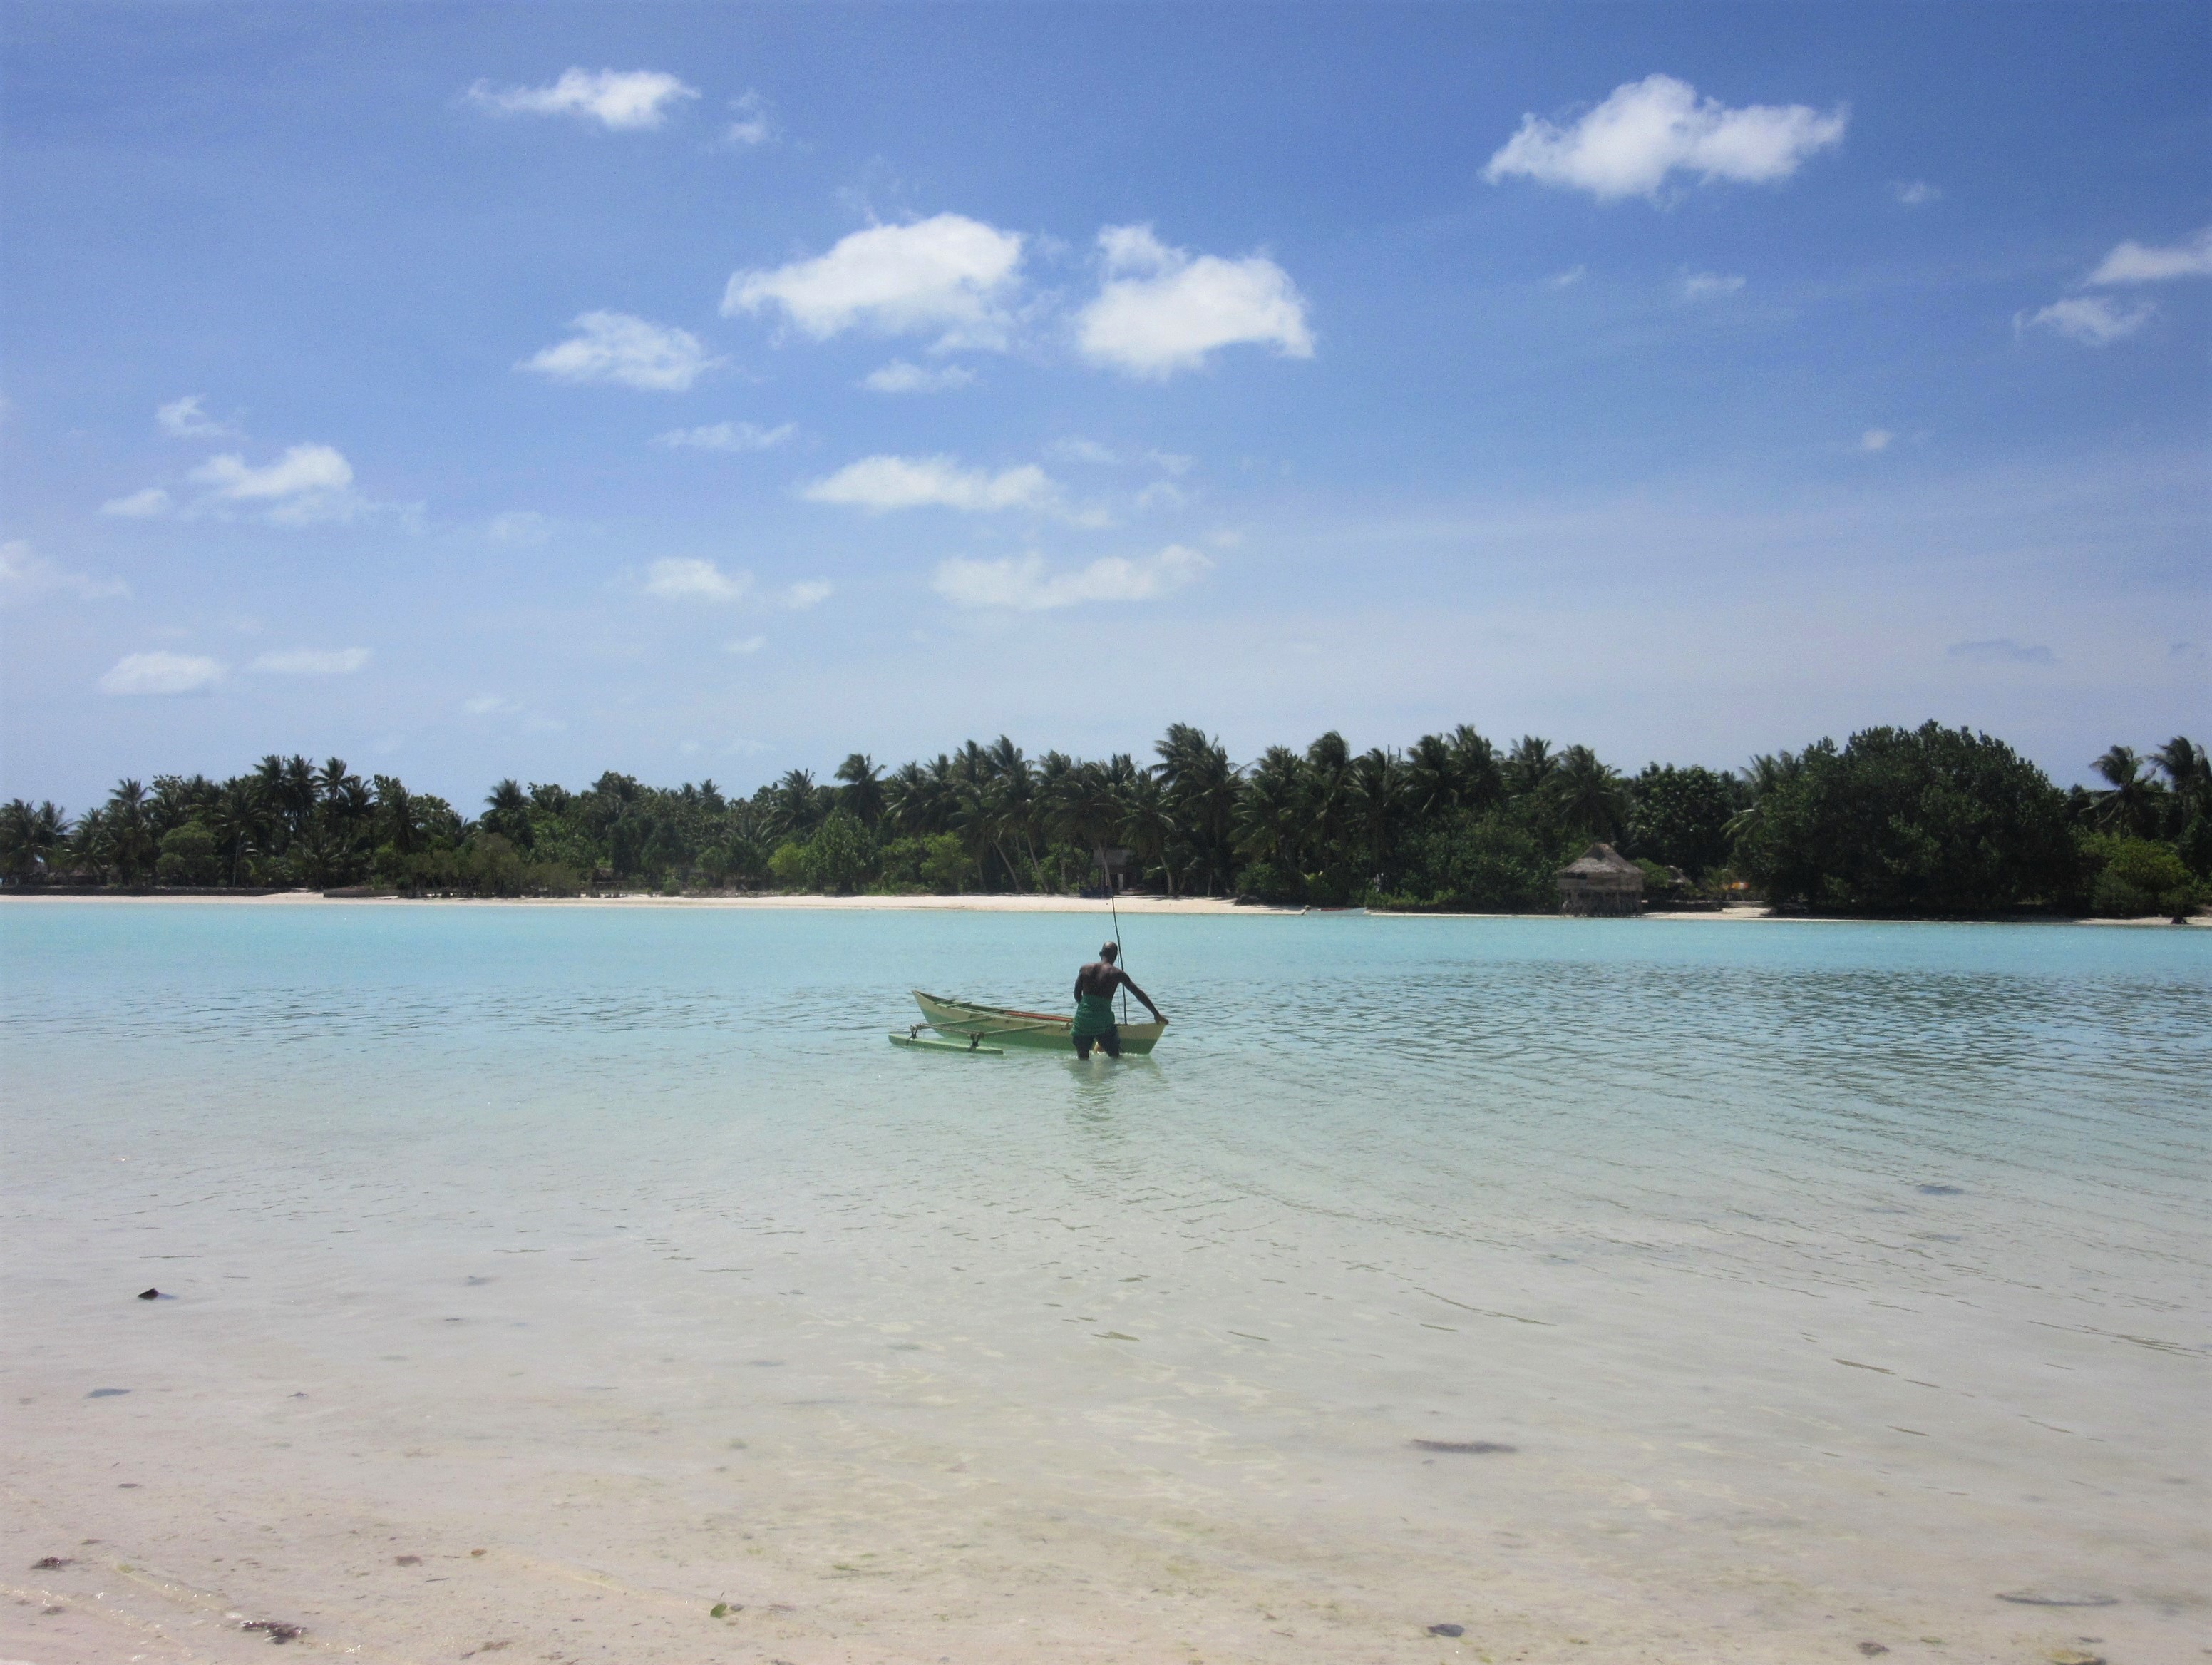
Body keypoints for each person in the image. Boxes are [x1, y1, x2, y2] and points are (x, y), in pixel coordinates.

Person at [1071, 941, 1163, 1060]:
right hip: (1103, 1021)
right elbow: (1138, 994)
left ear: (1100, 954)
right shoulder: (1117, 974)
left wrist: (1088, 1010)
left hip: (1082, 1020)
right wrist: (1156, 1014)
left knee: (1082, 1060)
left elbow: (1077, 995)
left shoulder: (1085, 969)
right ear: (1116, 956)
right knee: (1115, 1057)